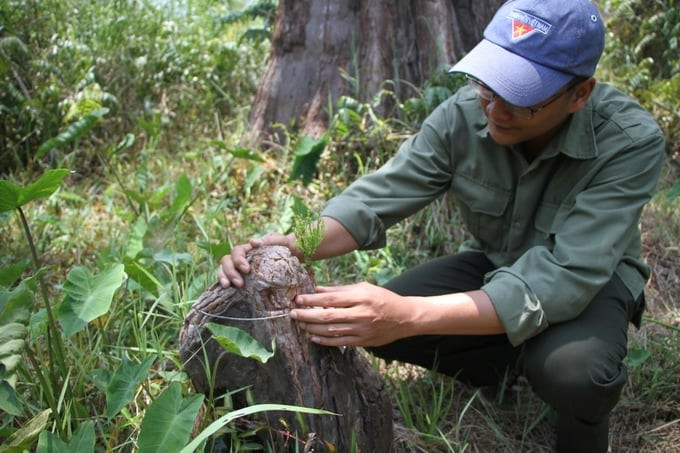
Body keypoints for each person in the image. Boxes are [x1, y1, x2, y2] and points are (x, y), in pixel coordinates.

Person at [218, 0, 666, 451]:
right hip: (497, 264)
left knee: (575, 374)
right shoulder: (464, 114)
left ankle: (580, 429)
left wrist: (406, 316)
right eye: (488, 86)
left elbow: (567, 274)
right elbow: (377, 198)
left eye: (520, 98)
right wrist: (294, 245)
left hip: (589, 282)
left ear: (580, 94)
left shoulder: (628, 141)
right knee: (379, 327)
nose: (494, 108)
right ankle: (507, 363)